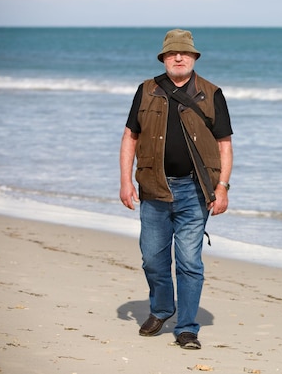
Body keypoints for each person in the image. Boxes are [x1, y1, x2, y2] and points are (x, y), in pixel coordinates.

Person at [119, 29, 233, 350]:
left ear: (194, 57)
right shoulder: (146, 90)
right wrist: (126, 180)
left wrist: (222, 187)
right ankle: (161, 309)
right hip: (153, 189)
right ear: (164, 58)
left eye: (184, 53)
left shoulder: (212, 94)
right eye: (172, 54)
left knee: (189, 262)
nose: (178, 58)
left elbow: (225, 145)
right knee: (153, 260)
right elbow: (131, 137)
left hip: (195, 192)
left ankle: (186, 328)